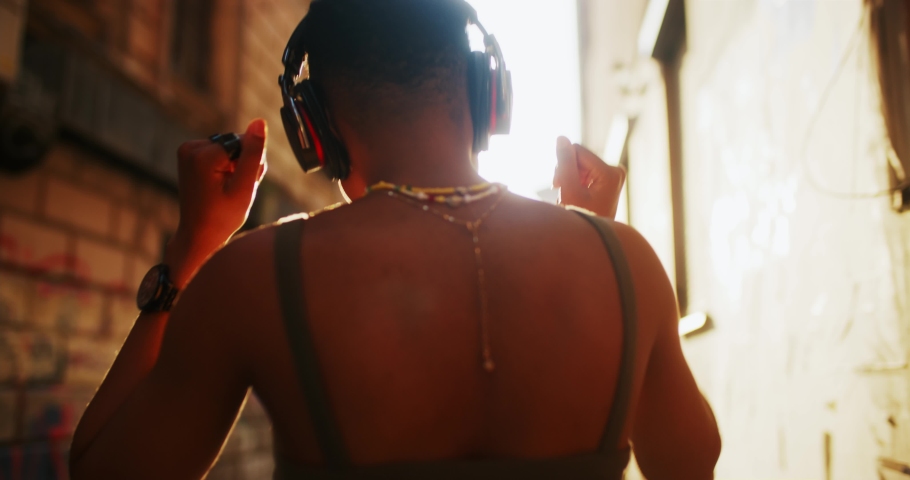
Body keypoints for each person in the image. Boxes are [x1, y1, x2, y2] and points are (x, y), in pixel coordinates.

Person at [69, 0, 720, 478]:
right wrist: (594, 246)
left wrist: (191, 252)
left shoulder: (255, 277)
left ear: (312, 131)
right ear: (488, 95)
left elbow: (104, 473)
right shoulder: (624, 262)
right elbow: (690, 465)